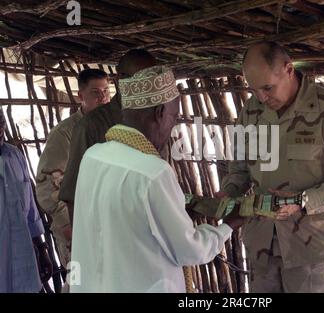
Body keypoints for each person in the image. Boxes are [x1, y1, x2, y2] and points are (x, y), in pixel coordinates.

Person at [69, 65, 245, 292]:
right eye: (173, 117)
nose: (172, 126)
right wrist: (229, 225)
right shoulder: (153, 172)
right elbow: (189, 250)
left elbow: (124, 219)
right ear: (160, 113)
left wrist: (176, 211)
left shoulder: (94, 156)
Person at [216, 41, 324, 292]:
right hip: (262, 248)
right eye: (254, 90)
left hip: (312, 251)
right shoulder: (251, 112)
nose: (262, 98)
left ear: (288, 69)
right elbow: (240, 170)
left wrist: (303, 200)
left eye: (268, 88)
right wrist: (228, 192)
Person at [58, 49, 157, 224]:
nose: (145, 84)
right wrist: (81, 240)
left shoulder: (156, 116)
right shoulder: (90, 125)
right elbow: (74, 191)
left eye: (151, 79)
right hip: (107, 224)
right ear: (121, 79)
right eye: (139, 78)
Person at [36, 69, 110, 268]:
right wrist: (67, 225)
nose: (103, 97)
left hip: (107, 227)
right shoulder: (65, 134)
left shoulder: (115, 129)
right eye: (95, 92)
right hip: (76, 230)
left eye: (106, 91)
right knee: (80, 283)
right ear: (80, 96)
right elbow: (46, 186)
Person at [0, 108, 53, 292]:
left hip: (25, 262)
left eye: (1, 120)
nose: (0, 126)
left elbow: (31, 210)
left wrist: (42, 248)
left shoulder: (14, 155)